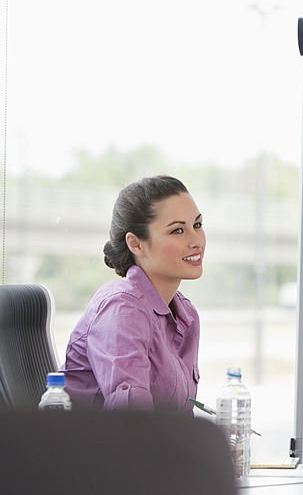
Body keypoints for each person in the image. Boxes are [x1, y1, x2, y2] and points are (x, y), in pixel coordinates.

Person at [62, 175, 205, 411]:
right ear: (136, 244)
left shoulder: (186, 314)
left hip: (152, 446)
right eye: (178, 230)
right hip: (94, 446)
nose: (196, 241)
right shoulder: (122, 309)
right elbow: (132, 424)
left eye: (197, 225)